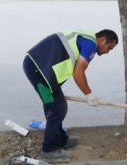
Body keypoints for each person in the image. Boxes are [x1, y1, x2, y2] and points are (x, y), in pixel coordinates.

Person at [23, 29, 118, 163]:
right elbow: (78, 73)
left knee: (54, 106)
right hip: (38, 71)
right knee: (57, 109)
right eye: (109, 47)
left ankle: (61, 139)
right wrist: (89, 95)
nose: (107, 52)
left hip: (37, 67)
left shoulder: (85, 37)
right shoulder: (90, 45)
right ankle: (49, 149)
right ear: (102, 40)